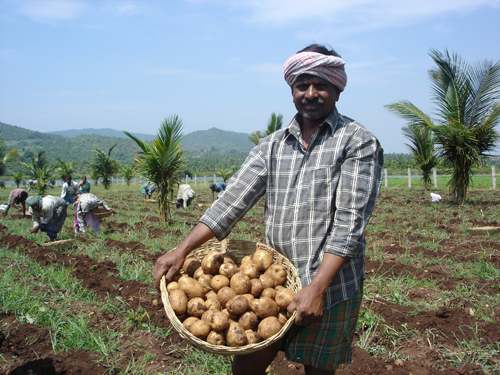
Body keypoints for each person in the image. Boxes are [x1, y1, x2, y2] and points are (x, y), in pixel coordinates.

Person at [152, 44, 384, 375]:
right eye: (302, 85)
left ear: (337, 89)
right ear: (292, 89)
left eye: (321, 85)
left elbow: (349, 225)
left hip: (331, 287)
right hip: (273, 286)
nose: (311, 93)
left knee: (319, 371)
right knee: (244, 370)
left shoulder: (357, 142)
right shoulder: (273, 145)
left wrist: (316, 288)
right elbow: (231, 202)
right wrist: (182, 249)